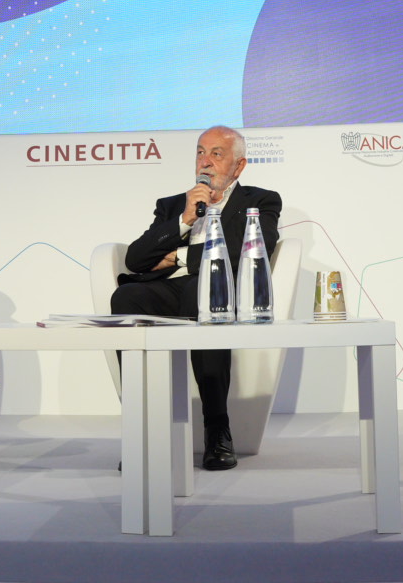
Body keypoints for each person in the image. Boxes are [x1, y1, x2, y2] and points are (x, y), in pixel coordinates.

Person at [111, 125, 281, 471]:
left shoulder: (260, 201)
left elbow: (250, 248)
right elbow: (135, 259)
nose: (205, 161)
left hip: (219, 290)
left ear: (239, 166)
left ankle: (217, 429)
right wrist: (184, 220)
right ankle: (144, 431)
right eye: (201, 152)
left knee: (198, 291)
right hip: (167, 290)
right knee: (126, 296)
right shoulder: (173, 204)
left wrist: (179, 256)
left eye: (217, 154)